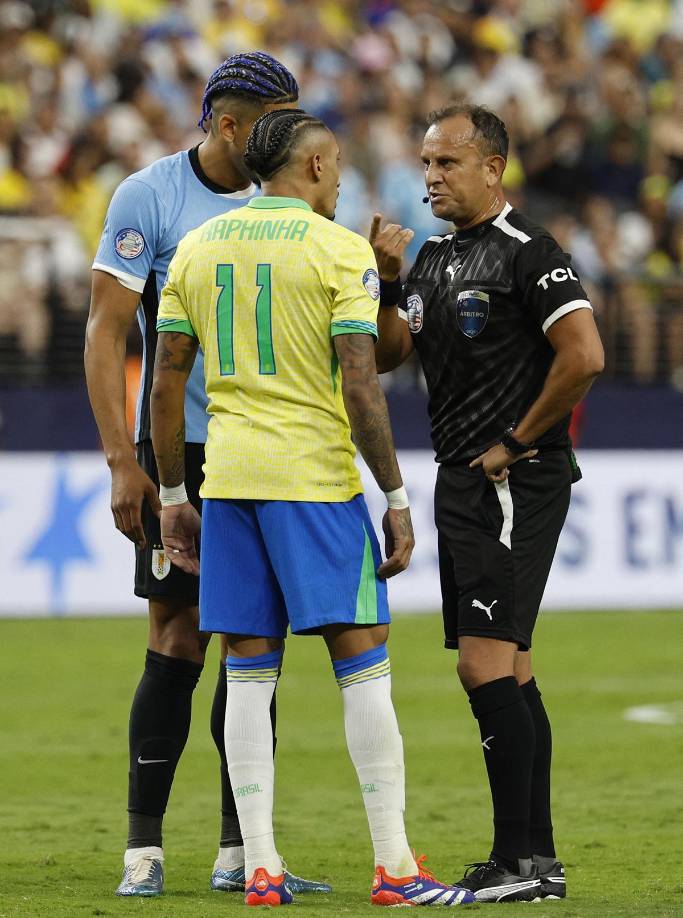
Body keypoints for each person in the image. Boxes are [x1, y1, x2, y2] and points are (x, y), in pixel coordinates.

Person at [149, 107, 475, 909]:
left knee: (249, 673)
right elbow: (362, 384)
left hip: (226, 481)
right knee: (362, 668)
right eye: (337, 169)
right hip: (314, 484)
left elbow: (163, 383)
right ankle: (395, 867)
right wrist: (395, 498)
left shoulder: (197, 248)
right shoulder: (338, 252)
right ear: (318, 169)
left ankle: (258, 866)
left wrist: (169, 494)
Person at [84, 52, 328, 898]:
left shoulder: (289, 194)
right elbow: (106, 330)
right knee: (176, 638)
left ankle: (240, 849)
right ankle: (143, 850)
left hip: (267, 448)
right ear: (229, 124)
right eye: (279, 119)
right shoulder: (149, 198)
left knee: (253, 644)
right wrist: (126, 460)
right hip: (178, 454)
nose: (297, 135)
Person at [371, 103, 604, 903]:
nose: (429, 177)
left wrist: (514, 440)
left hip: (508, 480)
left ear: (492, 167)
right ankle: (535, 860)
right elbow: (392, 353)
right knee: (513, 666)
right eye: (426, 162)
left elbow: (585, 355)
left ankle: (516, 864)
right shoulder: (435, 257)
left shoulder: (527, 254)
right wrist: (392, 281)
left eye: (447, 163)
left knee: (481, 665)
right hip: (464, 480)